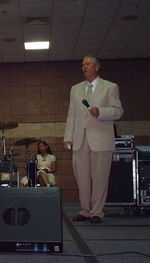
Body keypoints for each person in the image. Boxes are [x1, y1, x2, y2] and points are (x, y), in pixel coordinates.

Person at [63, 55, 123, 224]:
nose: (84, 67)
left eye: (88, 64)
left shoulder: (110, 87)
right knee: (81, 177)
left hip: (102, 140)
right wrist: (68, 137)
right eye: (82, 65)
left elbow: (118, 111)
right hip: (80, 139)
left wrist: (101, 112)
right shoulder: (75, 89)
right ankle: (85, 210)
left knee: (100, 178)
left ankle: (97, 211)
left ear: (96, 67)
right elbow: (71, 115)